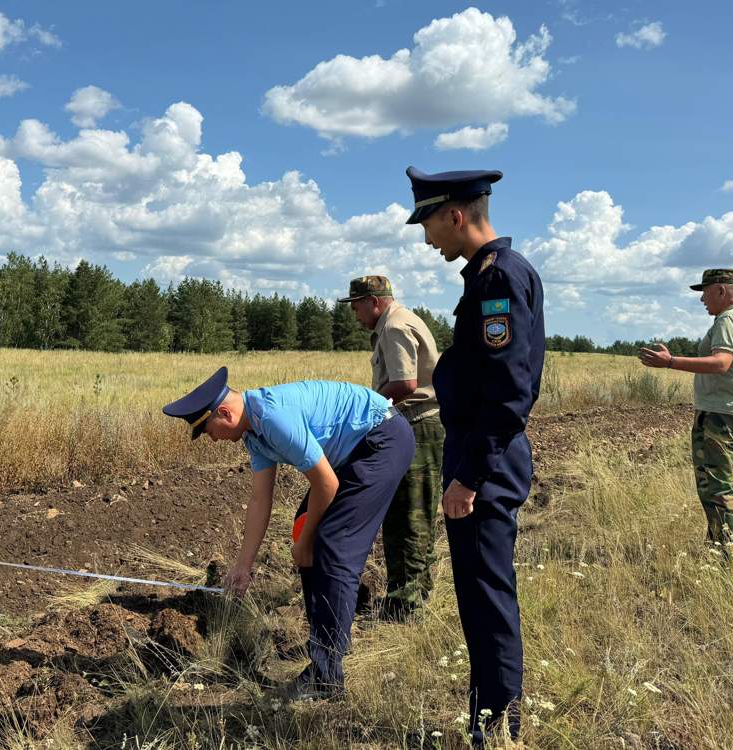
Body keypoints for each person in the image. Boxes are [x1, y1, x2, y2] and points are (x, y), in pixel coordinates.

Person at [162, 368, 414, 700]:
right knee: (303, 528)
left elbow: (327, 483)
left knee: (334, 546)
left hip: (381, 441)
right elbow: (259, 499)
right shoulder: (253, 433)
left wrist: (306, 543)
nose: (213, 439)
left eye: (209, 431)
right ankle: (324, 647)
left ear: (224, 412)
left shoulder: (273, 417)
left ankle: (326, 678)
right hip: (354, 451)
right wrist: (242, 566)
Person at [407, 167, 545, 746]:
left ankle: (497, 727)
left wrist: (467, 476)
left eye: (429, 223)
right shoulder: (486, 277)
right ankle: (490, 716)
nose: (427, 237)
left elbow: (510, 392)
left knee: (486, 601)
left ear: (456, 215)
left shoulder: (498, 279)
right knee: (480, 596)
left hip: (483, 465)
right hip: (478, 459)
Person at [637, 269, 733, 554]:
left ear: (721, 291)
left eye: (705, 291)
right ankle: (717, 549)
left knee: (716, 489)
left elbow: (721, 362)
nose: (702, 299)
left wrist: (670, 361)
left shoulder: (731, 318)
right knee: (721, 485)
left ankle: (732, 556)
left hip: (722, 416)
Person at [340, 275, 444, 620]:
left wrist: (366, 407)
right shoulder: (398, 320)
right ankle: (408, 596)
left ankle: (408, 605)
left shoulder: (395, 326)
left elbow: (405, 383)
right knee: (406, 514)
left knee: (410, 516)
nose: (355, 314)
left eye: (356, 306)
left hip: (416, 426)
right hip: (414, 425)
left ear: (373, 301)